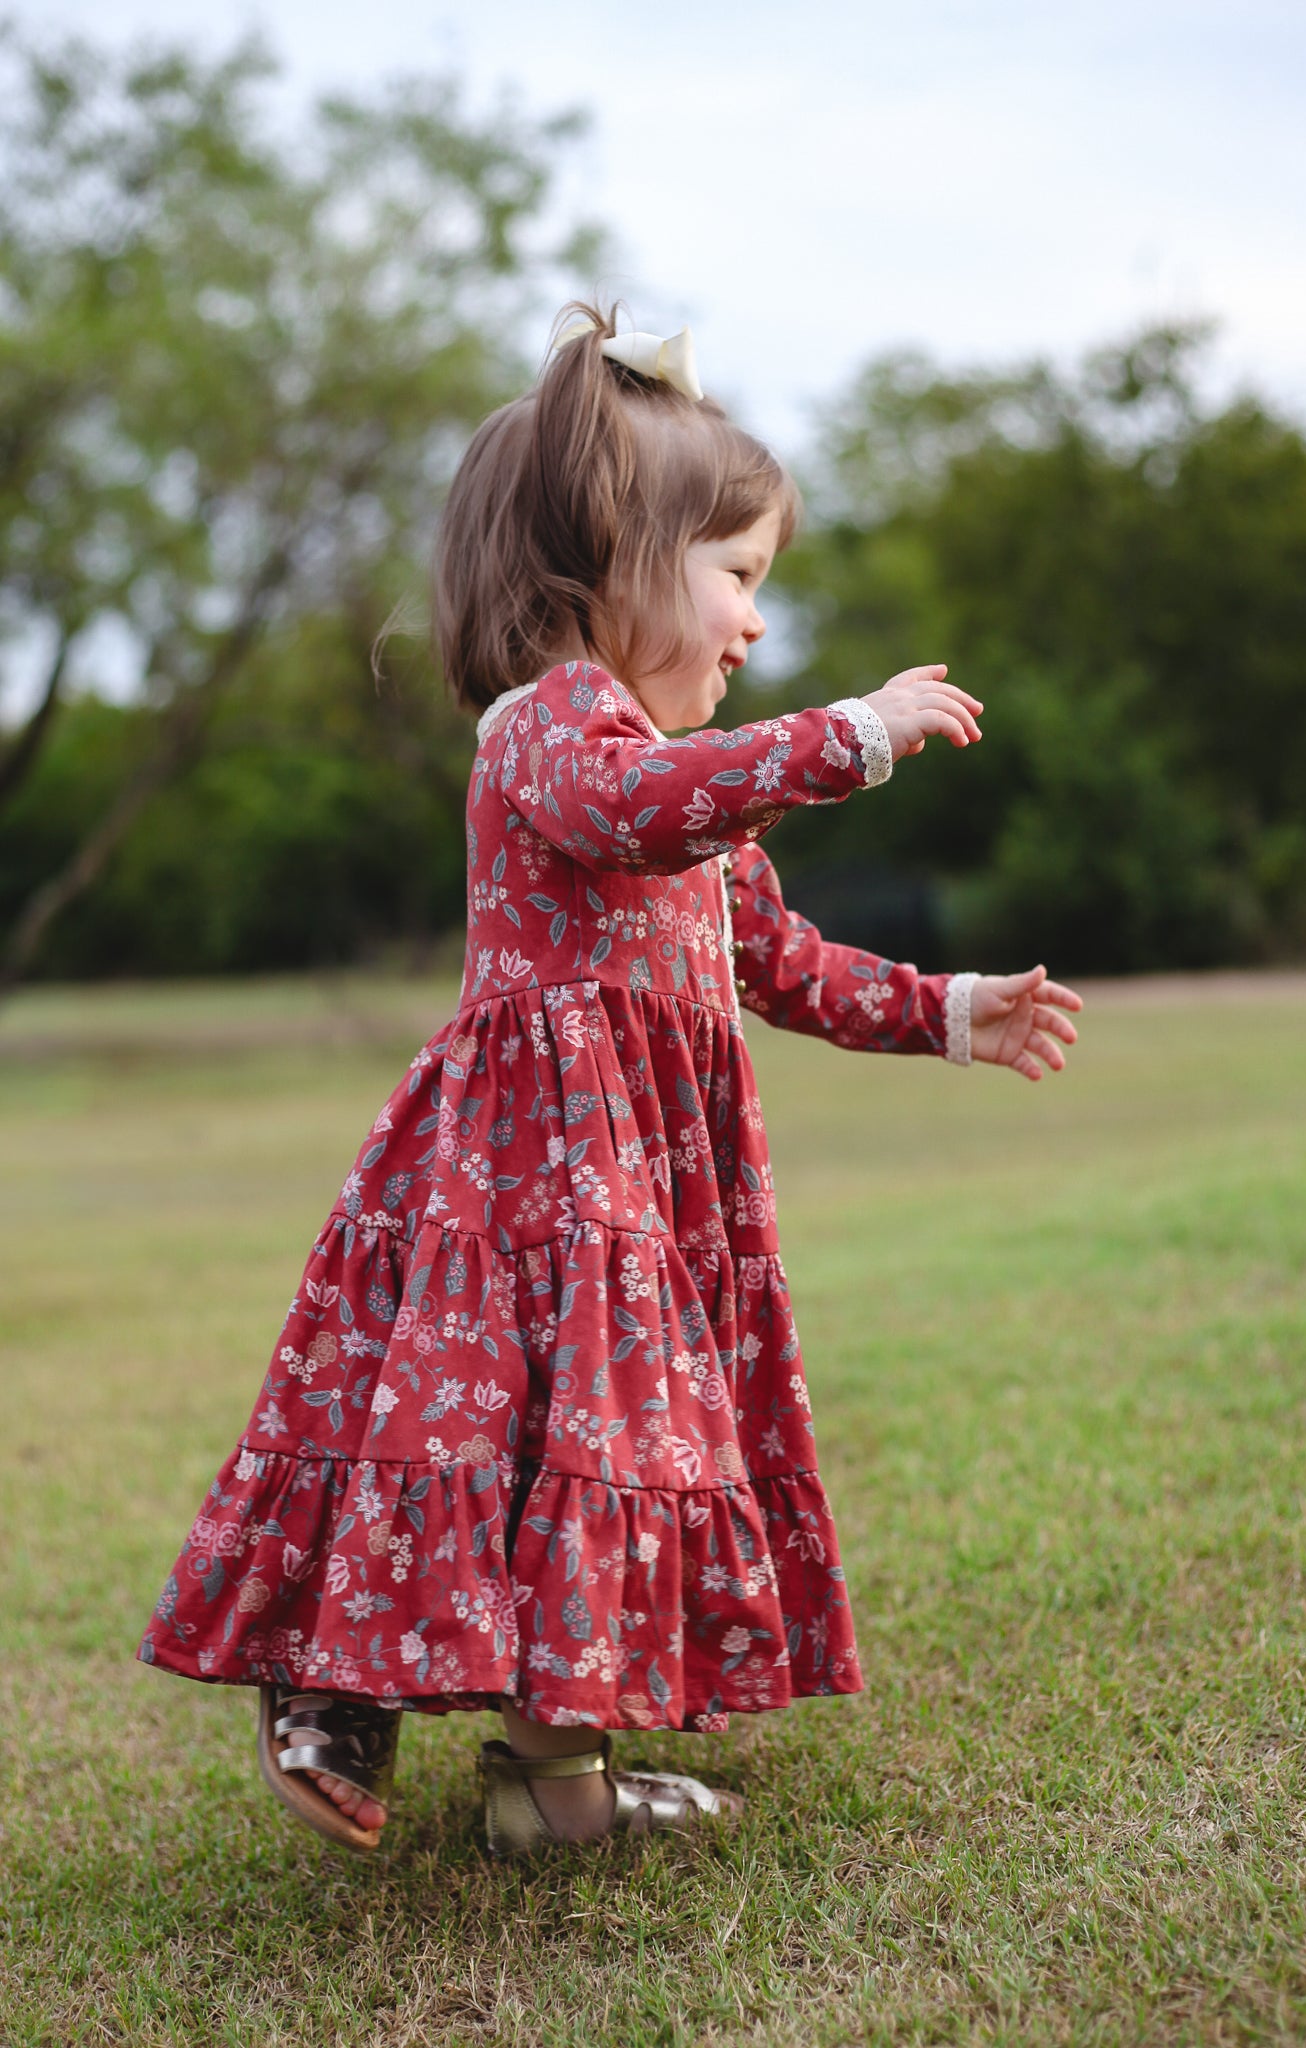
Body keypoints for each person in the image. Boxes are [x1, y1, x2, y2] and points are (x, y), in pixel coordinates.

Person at [138, 303, 1082, 1855]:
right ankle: (332, 1685)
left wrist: (945, 1010)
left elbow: (776, 961)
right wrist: (848, 735)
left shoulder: (677, 796)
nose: (754, 624)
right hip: (530, 1183)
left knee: (598, 1447)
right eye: (738, 577)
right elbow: (633, 806)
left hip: (637, 1192)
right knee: (483, 1438)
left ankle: (551, 1788)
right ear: (610, 561)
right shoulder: (556, 731)